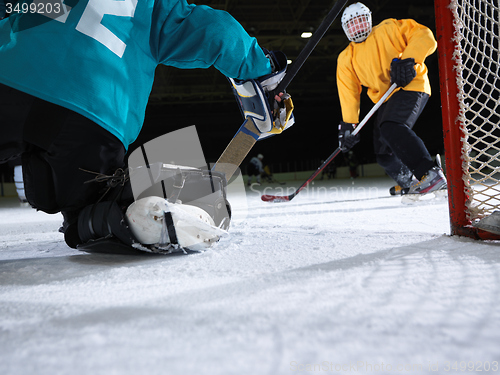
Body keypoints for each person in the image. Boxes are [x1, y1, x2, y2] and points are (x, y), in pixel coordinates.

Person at [0, 1, 288, 250]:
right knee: (90, 208)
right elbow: (214, 31)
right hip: (96, 108)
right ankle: (127, 213)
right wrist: (262, 73)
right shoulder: (151, 5)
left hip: (11, 77)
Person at [336, 2, 446, 196]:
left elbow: (424, 35)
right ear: (345, 29)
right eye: (352, 25)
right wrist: (349, 124)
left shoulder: (389, 29)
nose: (358, 28)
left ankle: (430, 173)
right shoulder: (346, 57)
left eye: (360, 21)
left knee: (392, 126)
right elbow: (348, 91)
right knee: (384, 154)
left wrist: (409, 60)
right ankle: (408, 181)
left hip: (410, 85)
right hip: (385, 100)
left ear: (368, 20)